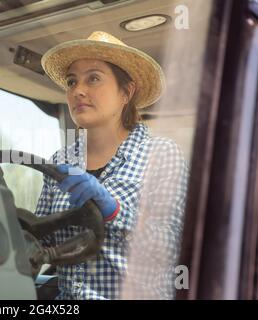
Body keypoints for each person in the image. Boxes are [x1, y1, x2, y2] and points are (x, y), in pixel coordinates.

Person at [35, 31, 189, 300]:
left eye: (93, 78)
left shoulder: (162, 155)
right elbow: (39, 242)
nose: (78, 90)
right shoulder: (60, 161)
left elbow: (170, 249)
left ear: (125, 92)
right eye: (72, 81)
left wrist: (114, 210)